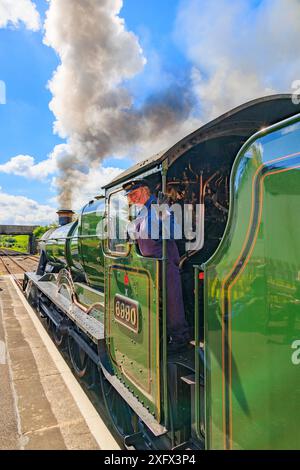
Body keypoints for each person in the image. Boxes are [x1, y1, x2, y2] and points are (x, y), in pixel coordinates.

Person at [123, 179, 190, 349]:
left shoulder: (159, 206)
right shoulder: (142, 212)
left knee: (172, 299)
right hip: (149, 263)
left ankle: (180, 338)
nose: (131, 198)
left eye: (133, 194)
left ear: (145, 190)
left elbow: (175, 232)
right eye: (129, 196)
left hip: (164, 260)